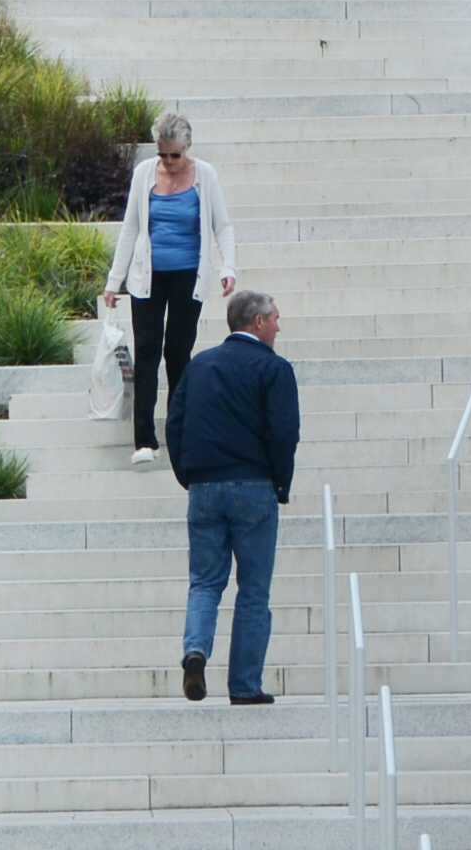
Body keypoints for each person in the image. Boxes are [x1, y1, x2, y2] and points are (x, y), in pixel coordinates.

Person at [169, 287, 300, 705]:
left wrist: (188, 475)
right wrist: (280, 482)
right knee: (254, 589)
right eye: (275, 317)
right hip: (254, 487)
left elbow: (174, 422)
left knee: (205, 582)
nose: (279, 325)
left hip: (204, 487)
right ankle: (244, 685)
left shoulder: (200, 366)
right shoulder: (274, 369)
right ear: (257, 323)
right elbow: (284, 432)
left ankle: (195, 652)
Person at [109, 113, 233, 465]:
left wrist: (228, 267)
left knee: (178, 353)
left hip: (187, 274)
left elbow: (222, 227)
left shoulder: (205, 176)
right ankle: (144, 440)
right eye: (163, 155)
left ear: (187, 148)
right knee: (146, 352)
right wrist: (113, 280)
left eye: (175, 155)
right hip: (147, 277)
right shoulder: (144, 174)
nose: (168, 162)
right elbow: (130, 228)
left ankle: (178, 432)